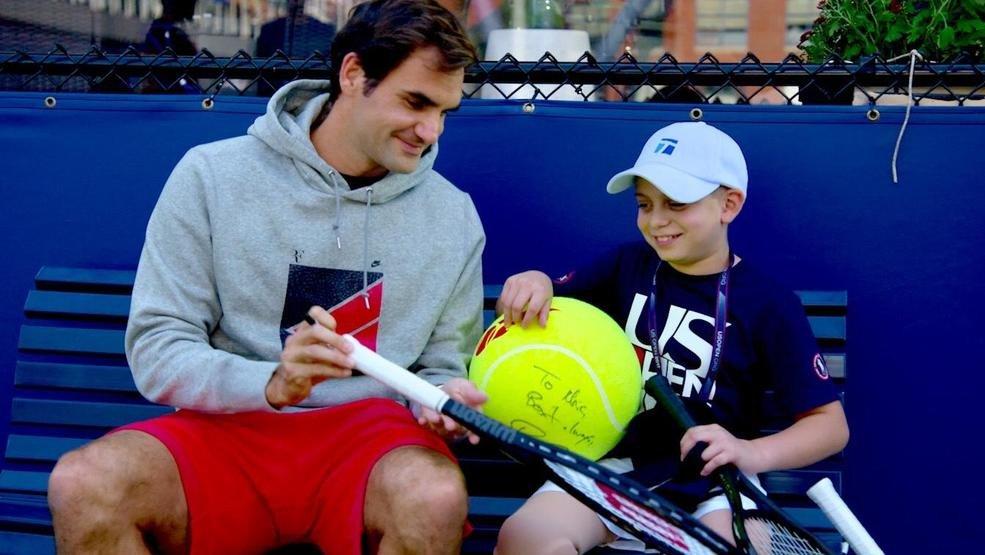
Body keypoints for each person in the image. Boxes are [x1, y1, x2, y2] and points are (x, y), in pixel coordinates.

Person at [46, 1, 487, 553]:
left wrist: (442, 398)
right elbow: (158, 349)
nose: (430, 130)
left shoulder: (453, 215)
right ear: (353, 75)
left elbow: (442, 365)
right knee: (83, 484)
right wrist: (272, 383)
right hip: (229, 428)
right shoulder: (212, 175)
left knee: (434, 495)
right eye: (416, 102)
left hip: (371, 440)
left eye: (446, 111)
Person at [494, 121, 850, 553]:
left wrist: (750, 453)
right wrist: (533, 282)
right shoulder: (625, 265)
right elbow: (537, 307)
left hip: (717, 481)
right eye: (645, 204)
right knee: (526, 540)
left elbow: (830, 428)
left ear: (729, 205)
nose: (657, 221)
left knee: (744, 546)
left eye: (677, 204)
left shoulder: (769, 304)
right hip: (617, 467)